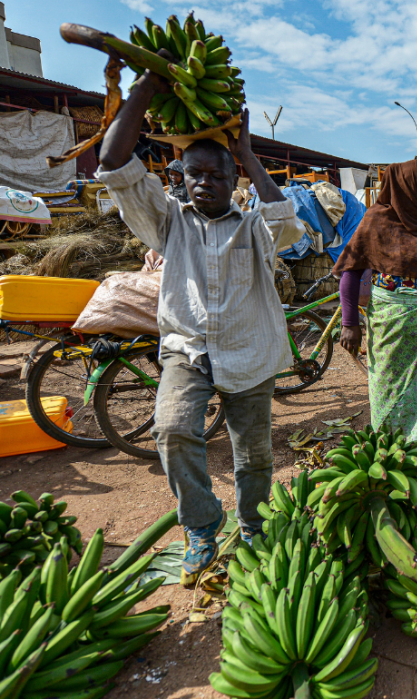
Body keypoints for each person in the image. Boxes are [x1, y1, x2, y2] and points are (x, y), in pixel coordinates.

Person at [97, 65, 304, 585]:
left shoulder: (255, 226)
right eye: (195, 175)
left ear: (235, 182)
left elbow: (287, 225)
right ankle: (202, 523)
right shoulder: (168, 220)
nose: (205, 184)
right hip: (187, 350)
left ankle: (253, 523)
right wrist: (144, 86)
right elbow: (112, 162)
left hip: (249, 350)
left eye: (217, 175)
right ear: (180, 178)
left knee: (253, 453)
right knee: (171, 430)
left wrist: (249, 154)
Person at [334, 159, 417, 467]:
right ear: (412, 190)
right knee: (393, 397)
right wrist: (350, 324)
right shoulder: (377, 222)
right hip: (395, 331)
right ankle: (394, 467)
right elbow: (350, 273)